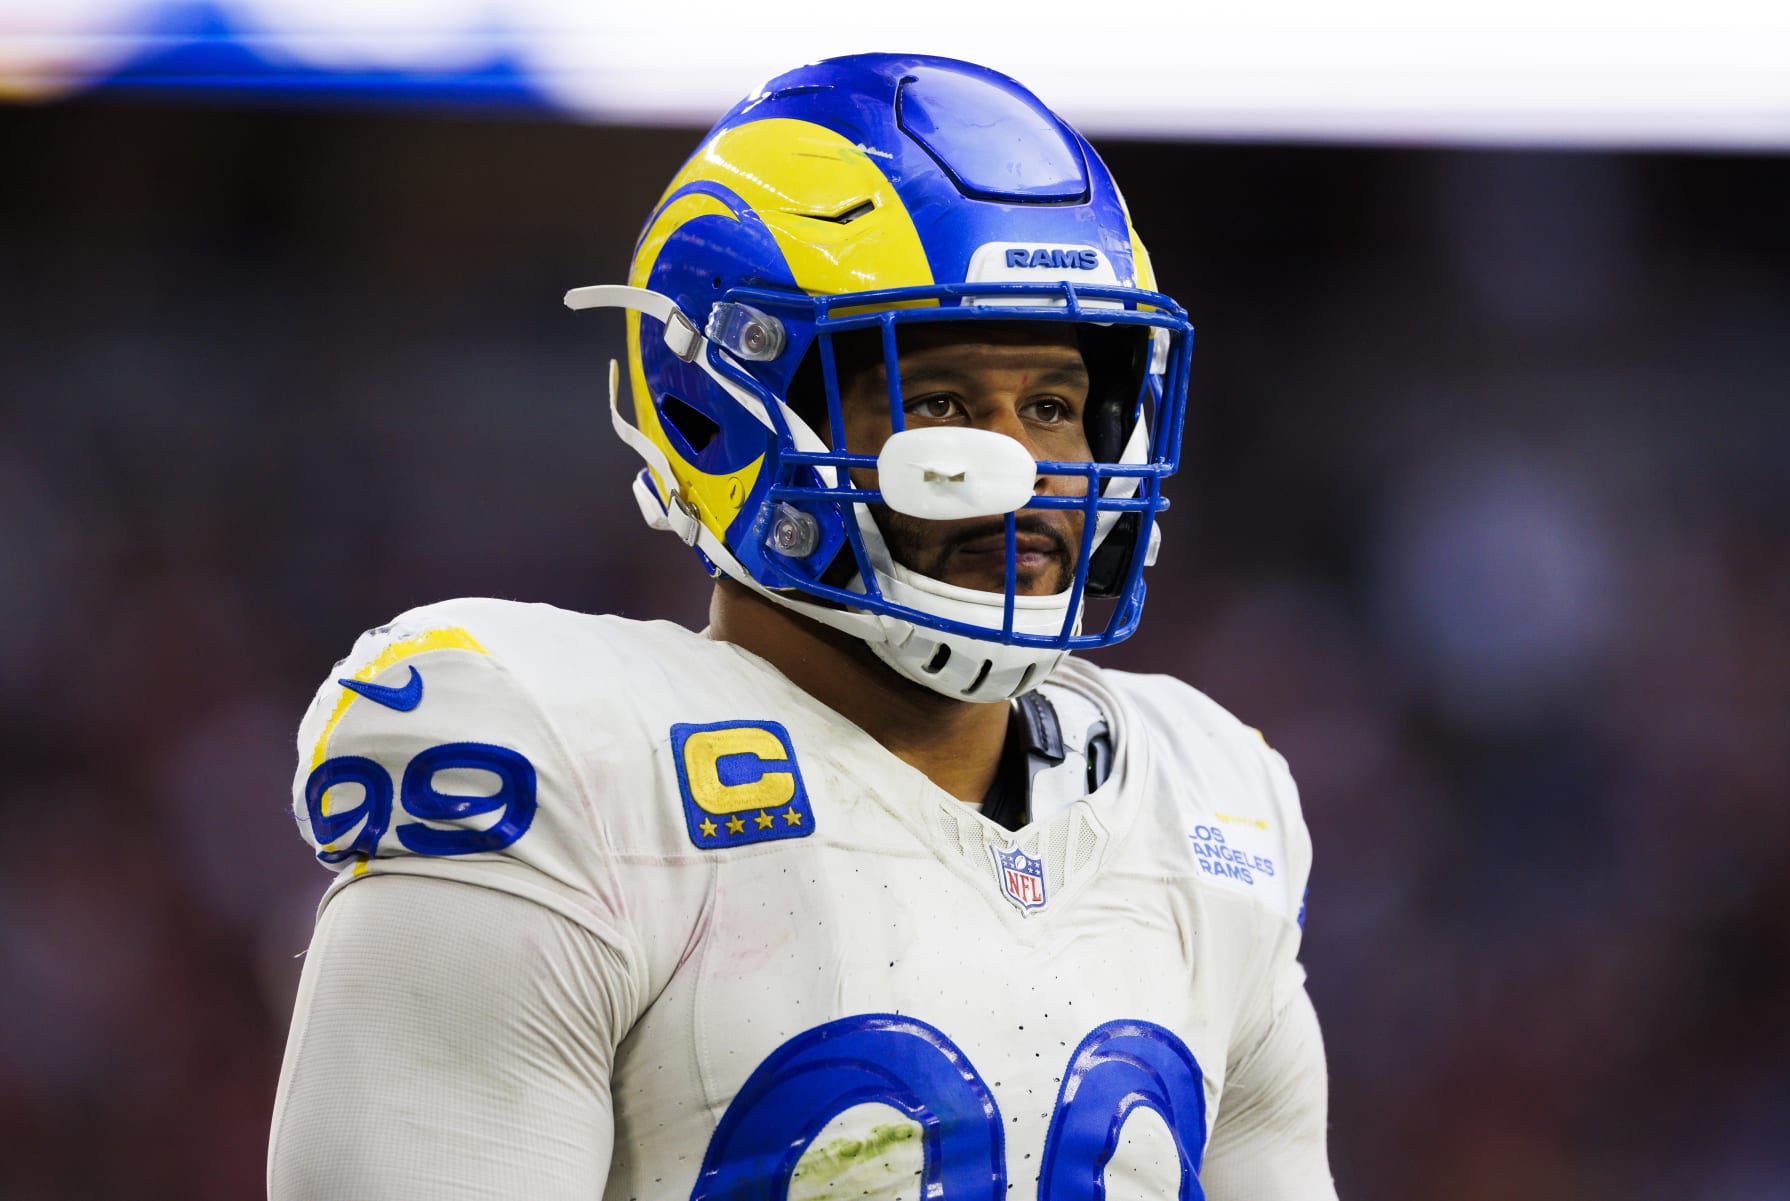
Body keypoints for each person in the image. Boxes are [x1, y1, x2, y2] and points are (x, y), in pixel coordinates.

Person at [268, 52, 1336, 1200]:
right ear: (723, 411)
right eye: (937, 403)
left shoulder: (1207, 805)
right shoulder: (568, 765)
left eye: (1055, 406)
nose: (1018, 469)